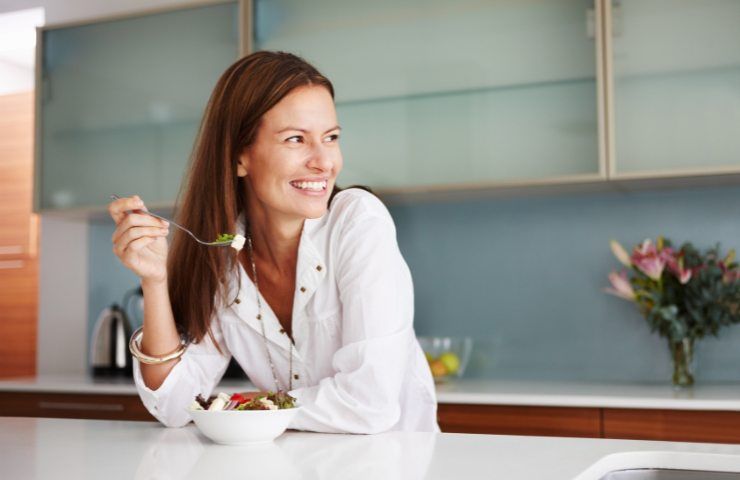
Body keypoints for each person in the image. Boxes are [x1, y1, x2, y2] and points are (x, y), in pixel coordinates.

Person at [108, 51, 438, 433]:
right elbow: (174, 404)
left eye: (330, 138)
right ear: (238, 157)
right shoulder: (223, 252)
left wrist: (233, 408)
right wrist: (155, 281)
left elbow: (369, 404)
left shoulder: (358, 221)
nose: (324, 161)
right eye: (296, 139)